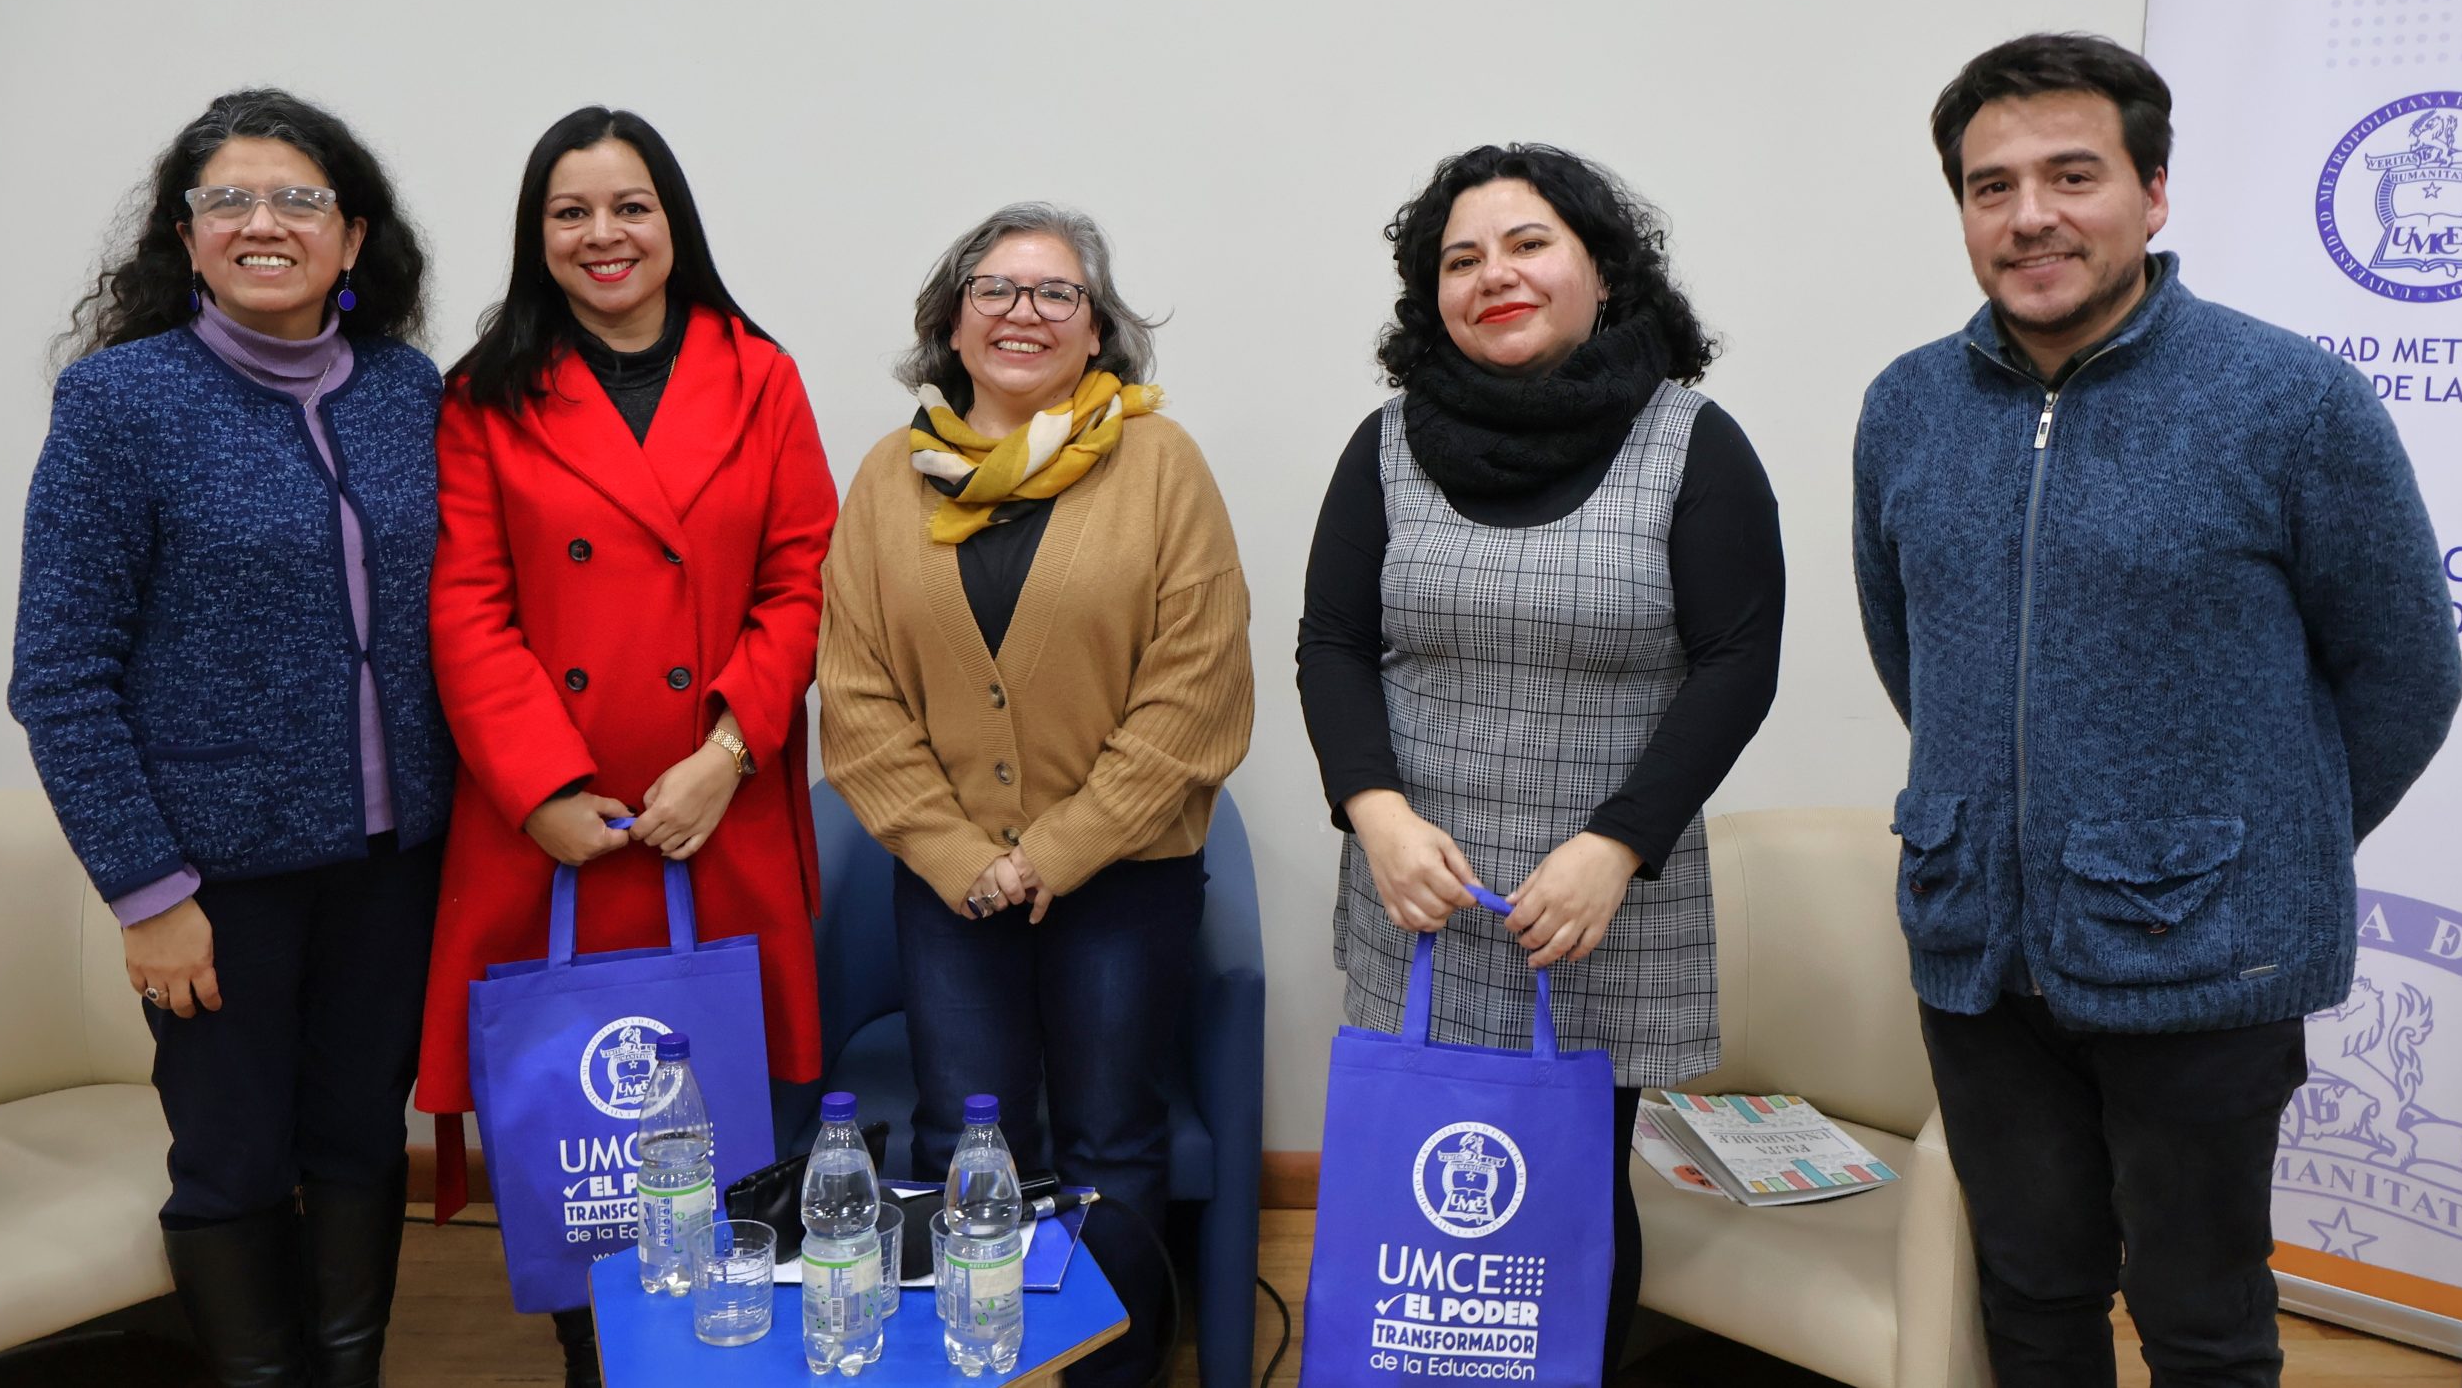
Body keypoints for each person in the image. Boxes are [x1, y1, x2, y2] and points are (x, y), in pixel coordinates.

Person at [1853, 32, 2462, 1388]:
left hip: (2206, 966)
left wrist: (2256, 853)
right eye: (1991, 186)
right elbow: (1917, 657)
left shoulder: (2289, 401)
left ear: (2153, 192)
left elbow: (2405, 673)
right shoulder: (1905, 407)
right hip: (1978, 948)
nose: (2029, 216)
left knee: (2201, 1324)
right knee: (2029, 1298)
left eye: (2072, 175)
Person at [1298, 143, 1785, 1381]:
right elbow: (1332, 643)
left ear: (1601, 272)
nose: (1494, 275)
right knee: (1415, 1200)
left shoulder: (1692, 444)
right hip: (1418, 889)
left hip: (1596, 905)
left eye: (1527, 245)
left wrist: (1617, 846)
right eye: (1461, 258)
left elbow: (1737, 664)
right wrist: (1373, 811)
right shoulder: (1384, 445)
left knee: (1569, 1190)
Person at [9, 89, 455, 1388]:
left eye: (299, 197)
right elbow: (60, 676)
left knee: (360, 1139)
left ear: (353, 235)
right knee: (233, 1158)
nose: (266, 222)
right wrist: (148, 893)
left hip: (392, 866)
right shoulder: (120, 404)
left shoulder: (406, 391)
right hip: (213, 885)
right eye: (230, 200)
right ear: (186, 236)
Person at [416, 107, 837, 1387]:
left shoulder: (760, 375)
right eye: (571, 212)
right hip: (557, 821)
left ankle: (724, 1356)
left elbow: (804, 577)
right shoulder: (485, 394)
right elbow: (466, 607)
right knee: (582, 1147)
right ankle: (592, 1361)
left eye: (629, 206)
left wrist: (728, 750)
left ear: (672, 221)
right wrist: (542, 789)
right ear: (537, 235)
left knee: (732, 1121)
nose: (603, 235)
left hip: (718, 805)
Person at [818, 202, 1253, 1388]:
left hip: (1126, 876)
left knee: (1113, 1138)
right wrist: (965, 860)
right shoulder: (888, 477)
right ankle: (973, 1366)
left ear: (1096, 328)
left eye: (1056, 292)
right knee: (964, 1133)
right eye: (994, 290)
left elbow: (1198, 691)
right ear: (952, 324)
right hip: (950, 884)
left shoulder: (1162, 466)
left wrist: (1054, 853)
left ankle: (1112, 1372)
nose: (1024, 312)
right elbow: (854, 697)